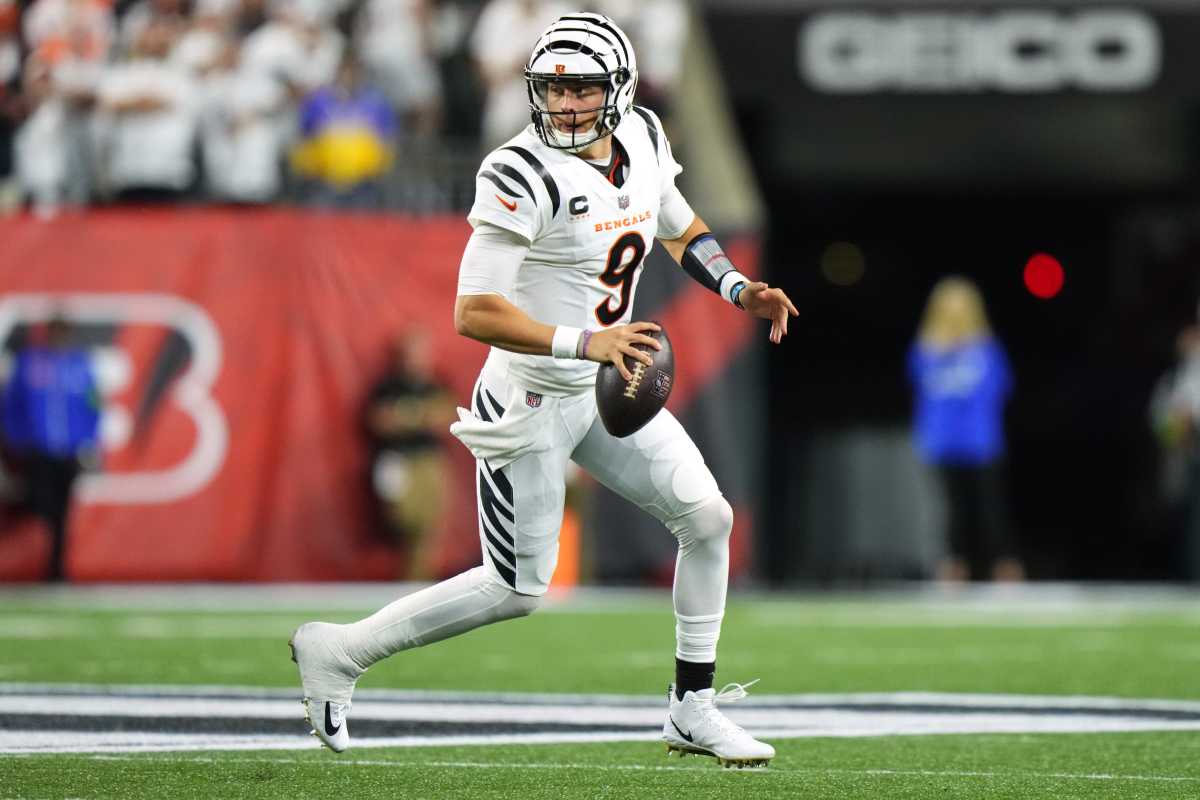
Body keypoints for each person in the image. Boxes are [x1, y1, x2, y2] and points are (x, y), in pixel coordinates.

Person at [289, 12, 796, 769]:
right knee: (517, 587)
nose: (563, 106)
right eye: (552, 90)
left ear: (620, 91)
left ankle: (693, 708)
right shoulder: (519, 170)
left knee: (709, 519)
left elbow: (680, 227)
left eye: (581, 89)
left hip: (601, 384)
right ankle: (341, 651)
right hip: (529, 396)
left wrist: (736, 286)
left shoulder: (645, 138)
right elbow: (473, 310)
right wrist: (589, 341)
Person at [908, 276, 1022, 583]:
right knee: (949, 511)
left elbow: (1001, 388)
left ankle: (1003, 567)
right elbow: (921, 387)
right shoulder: (925, 351)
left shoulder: (986, 351)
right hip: (942, 442)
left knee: (990, 509)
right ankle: (953, 568)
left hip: (980, 440)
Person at [1, 318, 100, 581]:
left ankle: (56, 570)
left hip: (69, 450)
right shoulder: (31, 363)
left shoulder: (80, 365)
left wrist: (90, 441)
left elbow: (93, 405)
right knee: (41, 502)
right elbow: (11, 404)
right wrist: (16, 440)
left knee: (62, 514)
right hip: (38, 449)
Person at [362, 329, 455, 580]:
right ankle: (409, 577)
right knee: (405, 520)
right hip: (399, 460)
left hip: (428, 460)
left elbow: (444, 417)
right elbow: (380, 420)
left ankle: (419, 580)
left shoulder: (435, 384)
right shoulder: (388, 386)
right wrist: (419, 416)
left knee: (429, 524)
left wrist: (406, 417)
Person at [1150, 307, 1200, 580]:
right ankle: (1188, 575)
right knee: (1186, 523)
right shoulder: (1173, 381)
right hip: (1185, 459)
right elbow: (1164, 423)